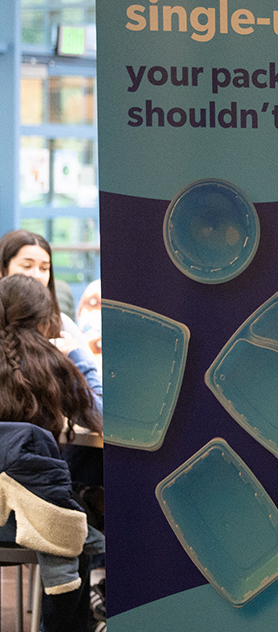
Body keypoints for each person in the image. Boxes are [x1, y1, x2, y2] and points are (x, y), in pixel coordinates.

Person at [0, 273, 104, 632]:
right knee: (84, 533)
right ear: (46, 319)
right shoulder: (52, 364)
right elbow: (105, 417)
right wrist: (78, 353)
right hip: (39, 524)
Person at [0, 230, 99, 412]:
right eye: (27, 266)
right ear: (3, 269)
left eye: (44, 268)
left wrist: (74, 354)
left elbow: (98, 406)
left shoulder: (62, 326)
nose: (37, 275)